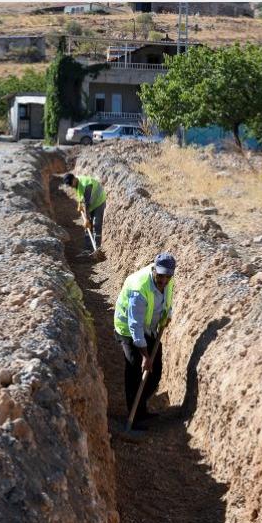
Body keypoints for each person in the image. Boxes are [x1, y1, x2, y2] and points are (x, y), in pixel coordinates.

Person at [113, 253, 176, 430]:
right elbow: (135, 326)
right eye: (160, 275)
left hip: (148, 327)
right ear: (154, 269)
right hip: (127, 328)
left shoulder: (168, 281)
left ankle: (140, 408)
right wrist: (144, 356)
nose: (163, 280)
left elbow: (167, 302)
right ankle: (134, 417)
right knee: (134, 368)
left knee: (155, 372)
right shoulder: (139, 289)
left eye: (167, 276)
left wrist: (167, 316)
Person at [63, 173, 106, 253]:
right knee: (88, 226)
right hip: (92, 203)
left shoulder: (85, 184)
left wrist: (86, 219)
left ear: (74, 179)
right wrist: (79, 203)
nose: (71, 186)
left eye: (70, 183)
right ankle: (88, 249)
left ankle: (97, 248)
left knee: (96, 224)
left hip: (99, 202)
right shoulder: (76, 183)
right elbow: (80, 194)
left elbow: (87, 203)